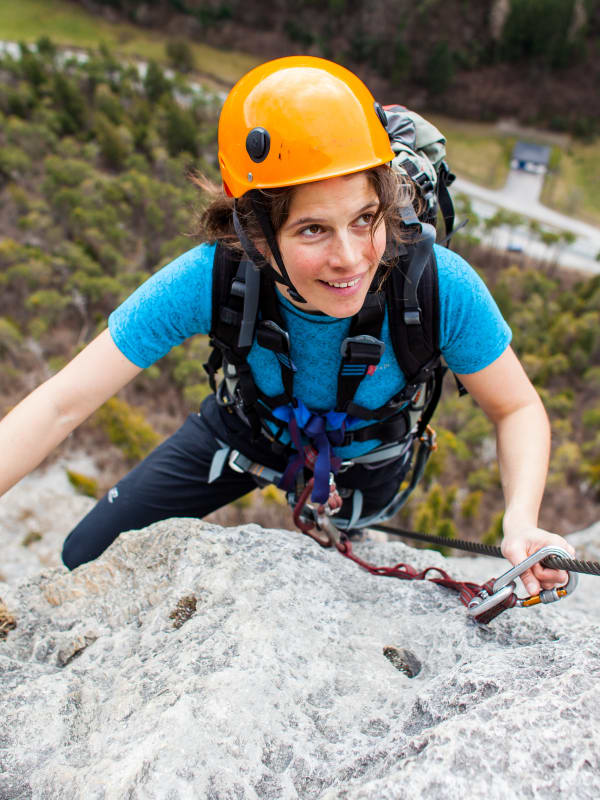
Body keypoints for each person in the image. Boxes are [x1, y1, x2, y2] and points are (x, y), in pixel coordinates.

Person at [0, 56, 574, 597]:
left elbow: (516, 408)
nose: (350, 258)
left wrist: (520, 519)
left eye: (365, 218)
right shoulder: (214, 276)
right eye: (312, 231)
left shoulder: (436, 286)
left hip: (366, 459)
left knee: (342, 569)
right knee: (86, 554)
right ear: (251, 231)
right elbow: (60, 405)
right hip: (248, 430)